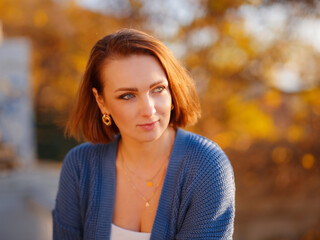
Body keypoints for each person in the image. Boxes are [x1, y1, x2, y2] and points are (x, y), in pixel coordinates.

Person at [52, 28, 235, 240]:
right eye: (127, 96)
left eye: (158, 89)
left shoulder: (207, 166)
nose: (148, 110)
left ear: (171, 90)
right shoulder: (80, 166)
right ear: (101, 101)